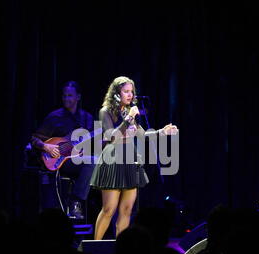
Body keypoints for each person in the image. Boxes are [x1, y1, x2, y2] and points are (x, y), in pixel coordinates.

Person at [90, 76, 178, 239]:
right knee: (109, 209)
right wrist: (129, 118)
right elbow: (112, 137)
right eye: (126, 92)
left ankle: (121, 247)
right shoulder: (105, 112)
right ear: (116, 94)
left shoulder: (128, 112)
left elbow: (143, 135)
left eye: (131, 92)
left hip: (130, 161)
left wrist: (162, 132)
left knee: (126, 210)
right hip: (113, 162)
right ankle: (95, 247)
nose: (130, 95)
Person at [31, 81, 95, 219]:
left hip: (75, 160)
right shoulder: (55, 117)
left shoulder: (87, 118)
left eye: (70, 95)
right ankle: (76, 201)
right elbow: (34, 138)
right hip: (57, 161)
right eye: (64, 95)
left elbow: (91, 144)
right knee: (91, 162)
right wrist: (46, 146)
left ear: (78, 97)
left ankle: (79, 201)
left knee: (94, 160)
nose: (66, 99)